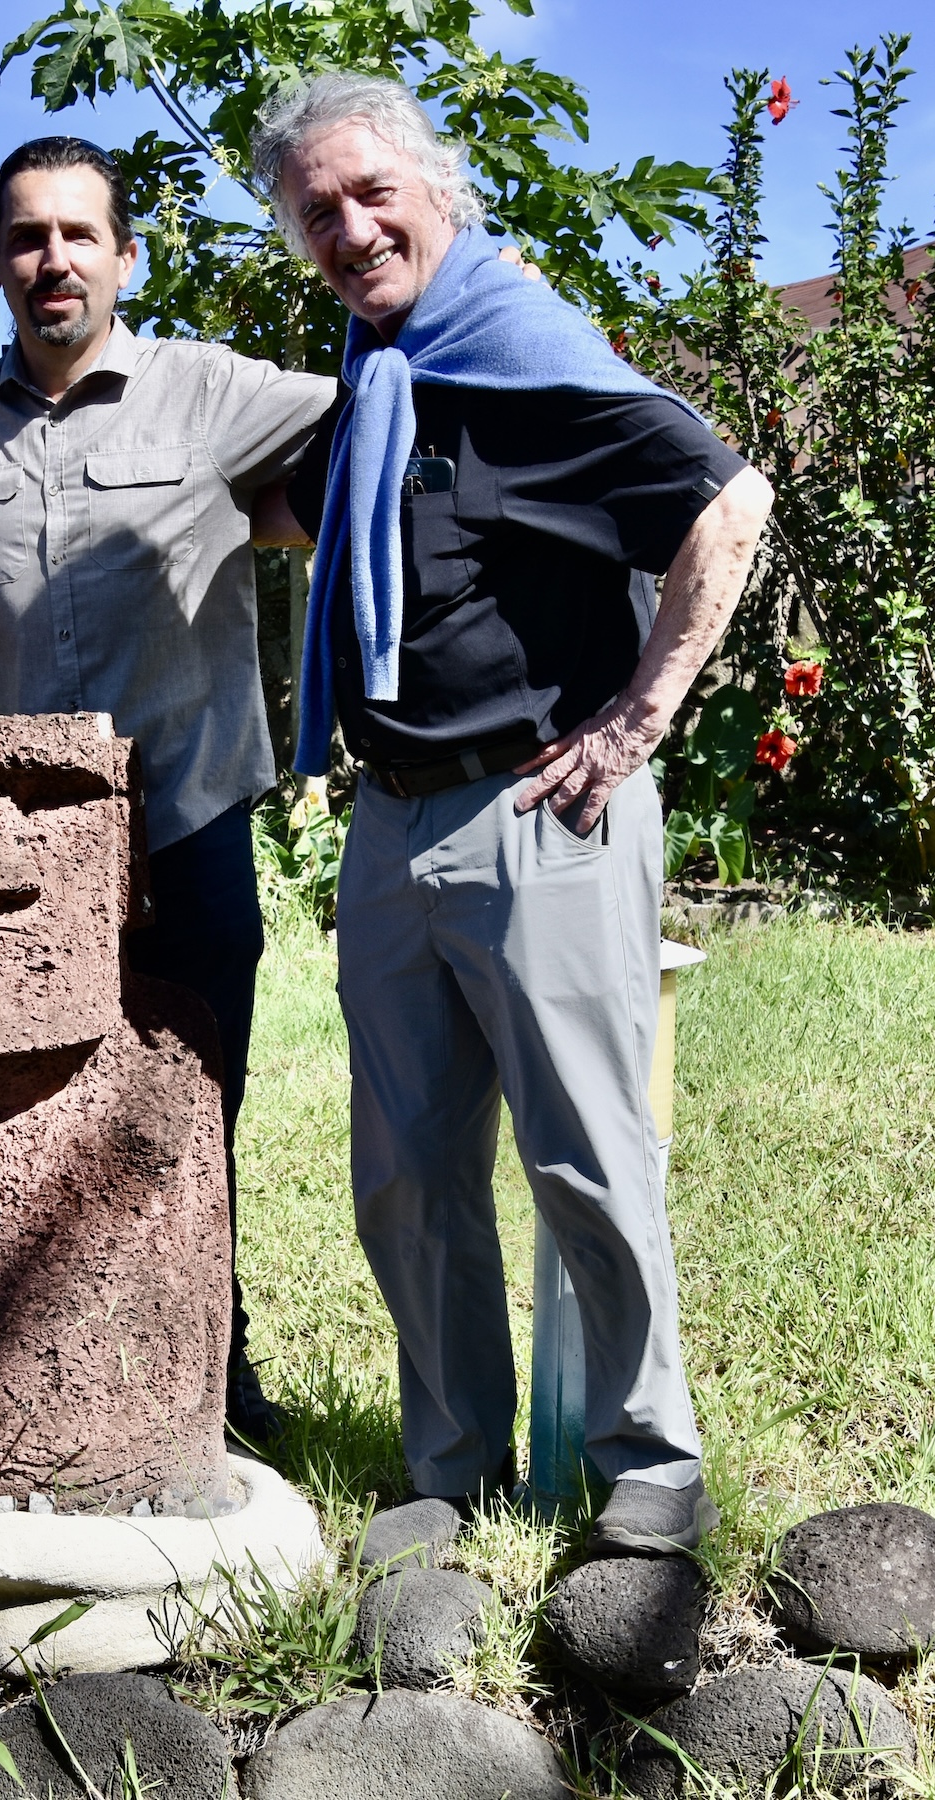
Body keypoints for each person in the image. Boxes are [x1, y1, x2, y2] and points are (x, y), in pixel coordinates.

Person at [251, 74, 774, 1553]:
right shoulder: (376, 375)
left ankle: (645, 1465)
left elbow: (725, 506)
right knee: (405, 1175)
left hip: (542, 810)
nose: (350, 229)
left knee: (583, 1155)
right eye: (316, 213)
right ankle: (450, 1469)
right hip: (392, 823)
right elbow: (282, 506)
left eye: (369, 194)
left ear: (436, 189)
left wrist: (637, 719)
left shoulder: (521, 355)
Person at [0, 137, 340, 1444]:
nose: (54, 260)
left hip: (189, 818)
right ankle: (25, 1357)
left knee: (194, 1100)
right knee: (16, 1107)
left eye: (78, 235)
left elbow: (369, 433)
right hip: (22, 851)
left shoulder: (210, 392)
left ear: (124, 257)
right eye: (26, 238)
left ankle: (213, 1364)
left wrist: (277, 516)